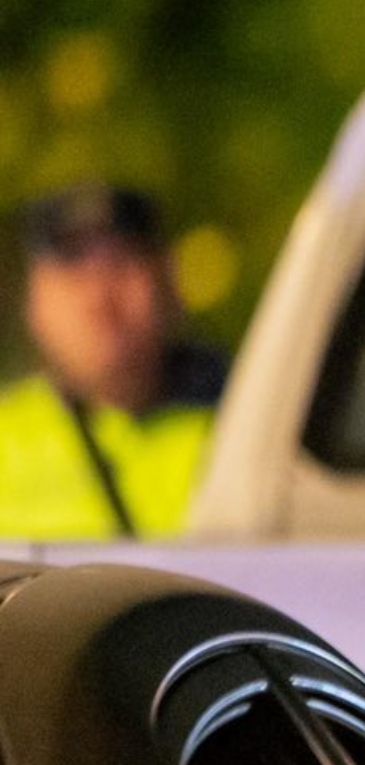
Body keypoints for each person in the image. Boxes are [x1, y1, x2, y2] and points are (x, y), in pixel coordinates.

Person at [0, 184, 226, 540]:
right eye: (72, 273)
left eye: (122, 265)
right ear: (33, 303)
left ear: (170, 282)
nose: (100, 298)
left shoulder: (250, 420)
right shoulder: (6, 439)